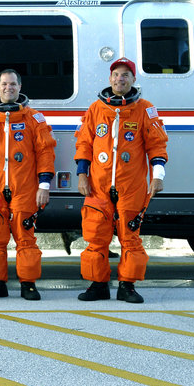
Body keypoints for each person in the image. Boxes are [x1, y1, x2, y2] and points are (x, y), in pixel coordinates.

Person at [75, 57, 168, 303]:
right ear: (110, 79)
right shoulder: (96, 108)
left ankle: (127, 286)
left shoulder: (145, 109)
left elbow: (157, 145)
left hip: (132, 184)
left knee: (130, 237)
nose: (120, 78)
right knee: (96, 235)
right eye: (116, 74)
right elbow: (84, 143)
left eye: (126, 74)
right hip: (98, 184)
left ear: (133, 80)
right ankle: (98, 285)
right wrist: (82, 174)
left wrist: (158, 175)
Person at [0, 69, 56, 300]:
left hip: (24, 190)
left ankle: (28, 284)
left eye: (13, 84)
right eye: (4, 84)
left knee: (26, 239)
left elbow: (45, 153)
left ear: (19, 87)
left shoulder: (34, 119)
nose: (9, 88)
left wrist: (44, 186)